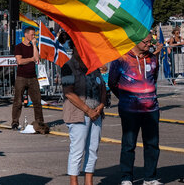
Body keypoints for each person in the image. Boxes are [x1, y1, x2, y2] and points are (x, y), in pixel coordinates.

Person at [109, 34, 162, 185]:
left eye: (150, 41)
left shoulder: (152, 59)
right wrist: (126, 98)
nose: (149, 44)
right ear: (136, 41)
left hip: (151, 109)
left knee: (152, 144)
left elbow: (154, 78)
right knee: (129, 144)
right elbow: (113, 82)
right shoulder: (121, 58)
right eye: (146, 42)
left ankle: (150, 178)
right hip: (129, 110)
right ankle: (126, 178)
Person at [61, 37, 106, 185]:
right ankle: (74, 181)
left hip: (96, 113)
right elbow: (68, 92)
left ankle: (89, 181)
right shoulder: (68, 66)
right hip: (79, 114)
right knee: (78, 151)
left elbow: (102, 85)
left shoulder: (92, 65)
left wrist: (101, 104)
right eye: (81, 47)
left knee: (93, 149)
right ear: (74, 48)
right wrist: (88, 110)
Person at [11, 26, 45, 131]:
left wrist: (34, 45)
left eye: (34, 34)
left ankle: (39, 122)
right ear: (25, 35)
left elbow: (37, 58)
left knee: (37, 101)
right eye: (31, 34)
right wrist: (31, 59)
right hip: (21, 77)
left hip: (33, 77)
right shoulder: (19, 47)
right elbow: (20, 61)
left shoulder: (33, 46)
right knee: (18, 101)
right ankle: (15, 122)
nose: (33, 36)